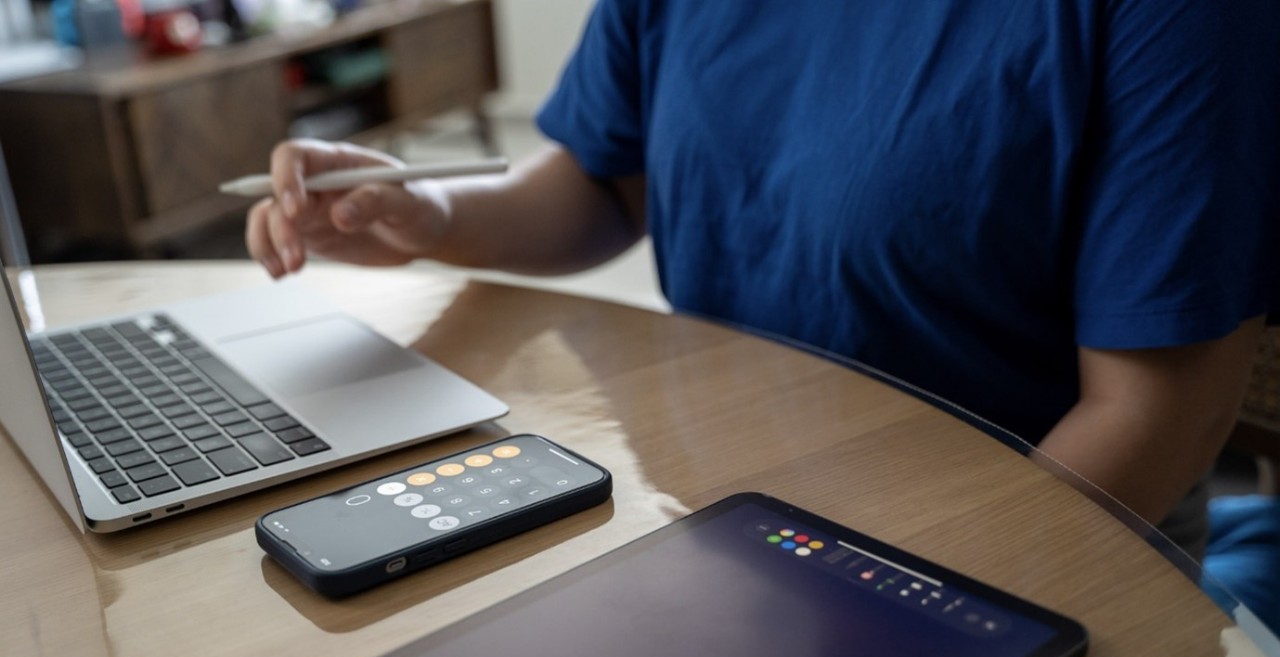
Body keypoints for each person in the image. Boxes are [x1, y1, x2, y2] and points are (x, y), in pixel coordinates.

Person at [246, 0, 1280, 559]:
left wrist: (899, 603)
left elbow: (1159, 415)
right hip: (724, 508)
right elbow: (600, 184)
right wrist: (431, 214)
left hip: (1036, 539)